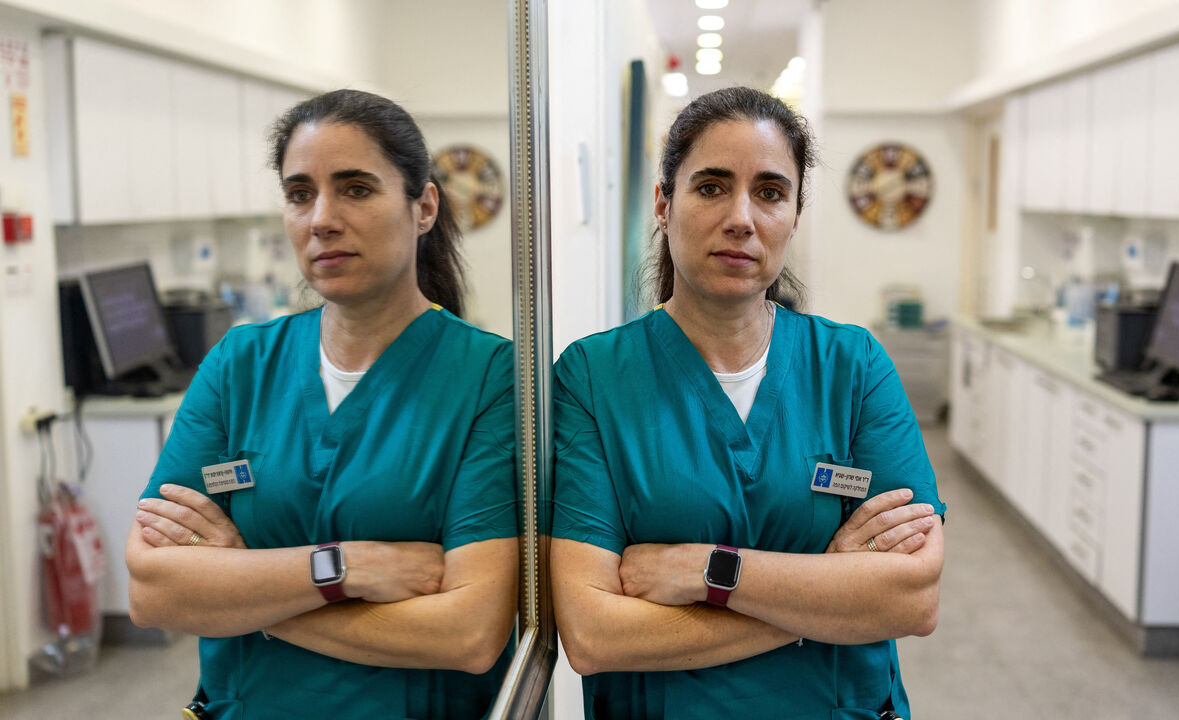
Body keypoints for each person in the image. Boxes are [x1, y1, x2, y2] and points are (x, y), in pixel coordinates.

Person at [551, 86, 946, 719]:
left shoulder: (853, 366)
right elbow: (595, 635)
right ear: (664, 204)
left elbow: (912, 599)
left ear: (794, 215)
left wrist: (711, 570)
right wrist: (828, 590)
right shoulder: (593, 378)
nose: (741, 217)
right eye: (711, 187)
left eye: (769, 192)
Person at [126, 89, 518, 719]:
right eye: (300, 194)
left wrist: (244, 589)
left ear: (423, 207)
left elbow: (468, 633)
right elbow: (153, 591)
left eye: (356, 189)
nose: (322, 219)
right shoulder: (240, 364)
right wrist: (344, 568)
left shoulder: (490, 377)